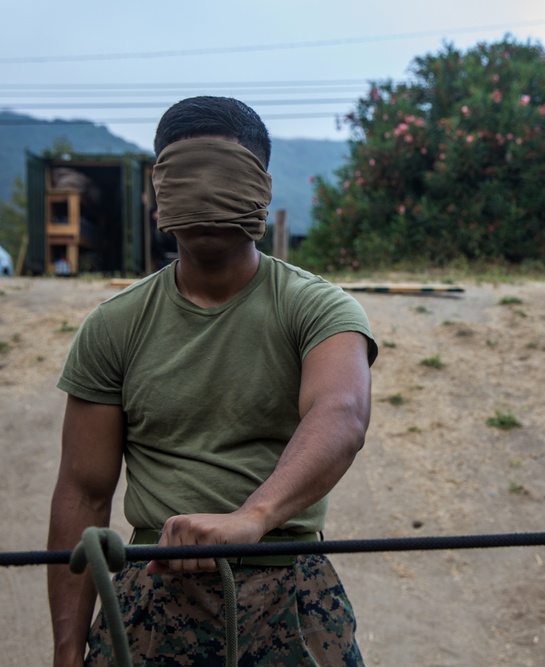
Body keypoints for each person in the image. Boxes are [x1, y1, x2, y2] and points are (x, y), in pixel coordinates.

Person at [47, 96, 378, 666]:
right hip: (148, 601)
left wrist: (253, 518)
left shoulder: (318, 308)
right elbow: (83, 491)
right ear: (158, 189)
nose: (205, 198)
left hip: (291, 595)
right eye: (184, 176)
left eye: (223, 175)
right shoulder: (114, 326)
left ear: (261, 187)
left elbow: (341, 414)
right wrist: (66, 651)